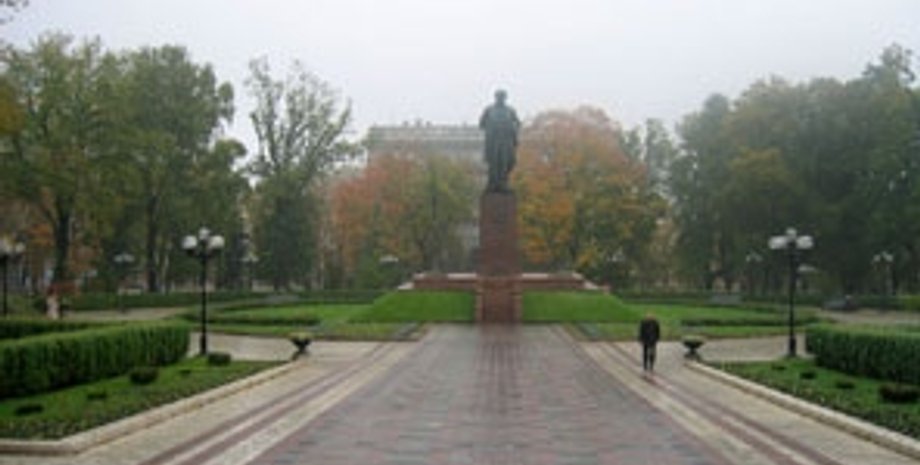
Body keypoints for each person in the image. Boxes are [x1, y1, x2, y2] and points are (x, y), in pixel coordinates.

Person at [479, 89, 521, 192]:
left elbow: (518, 123)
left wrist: (512, 129)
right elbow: (481, 124)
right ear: (496, 97)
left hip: (506, 141)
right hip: (493, 141)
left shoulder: (510, 110)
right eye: (499, 97)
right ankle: (493, 183)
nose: (500, 99)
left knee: (506, 162)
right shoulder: (489, 110)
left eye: (502, 97)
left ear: (505, 98)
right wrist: (492, 126)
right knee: (494, 162)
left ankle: (503, 182)